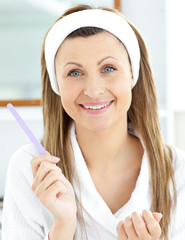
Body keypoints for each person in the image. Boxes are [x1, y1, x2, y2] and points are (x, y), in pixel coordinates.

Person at [2, 4, 185, 240]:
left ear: (132, 73)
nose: (94, 90)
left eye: (108, 68)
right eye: (75, 73)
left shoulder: (178, 172)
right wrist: (62, 228)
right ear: (57, 84)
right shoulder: (28, 169)